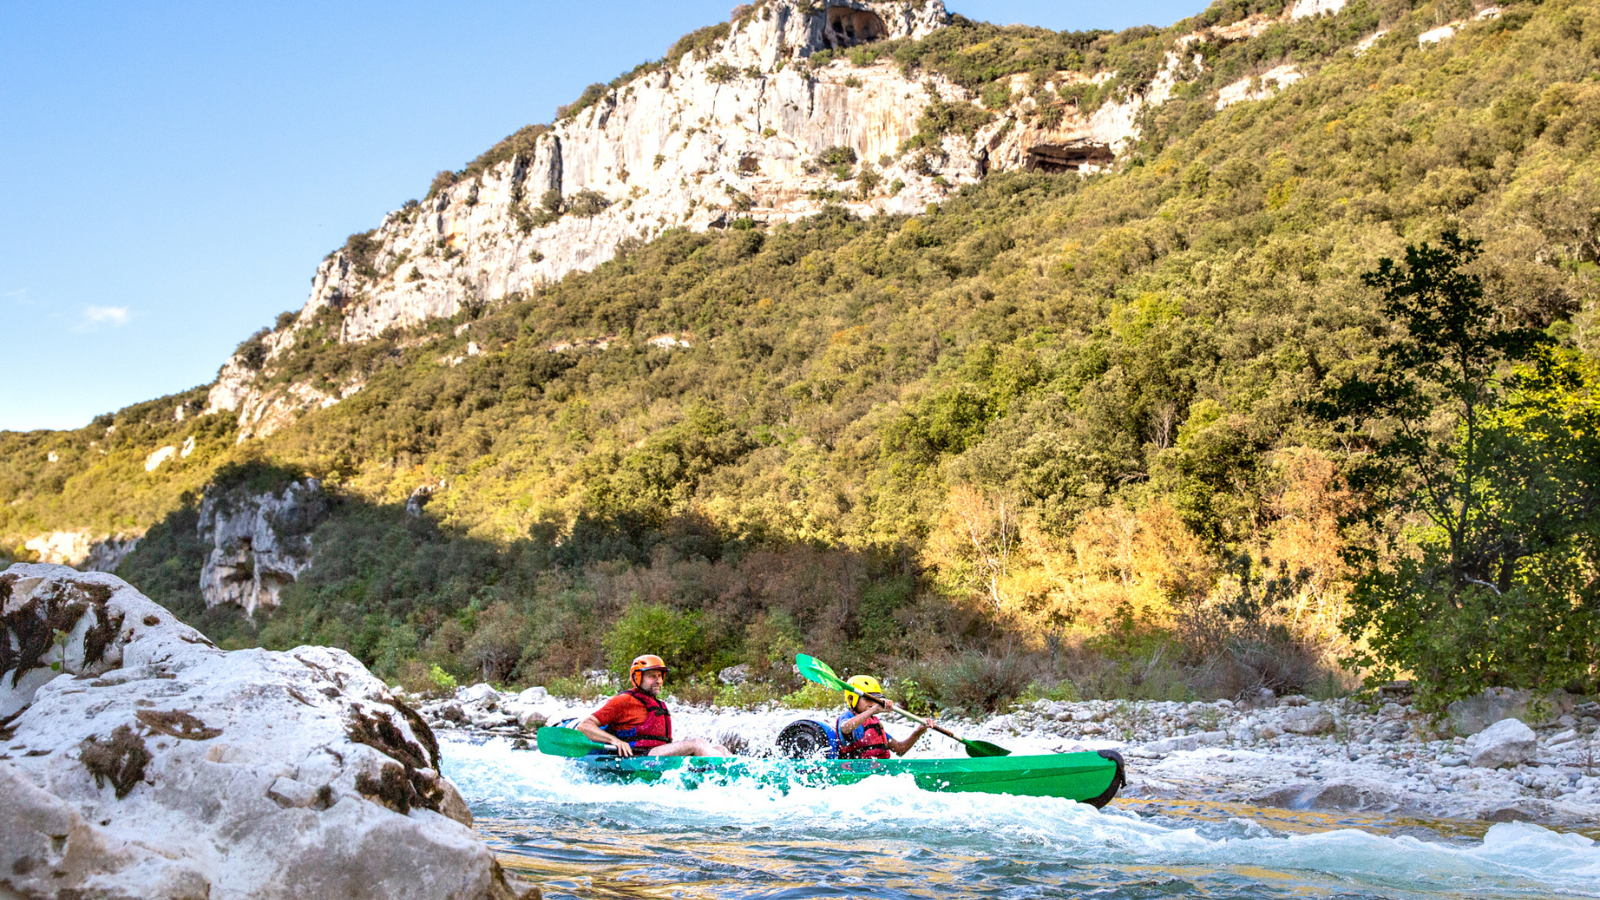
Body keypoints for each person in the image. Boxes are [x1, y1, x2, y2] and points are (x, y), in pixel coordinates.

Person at [577, 654, 730, 757]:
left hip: (657, 754)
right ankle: (727, 774)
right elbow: (584, 727)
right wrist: (614, 741)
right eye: (651, 676)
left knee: (720, 749)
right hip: (640, 756)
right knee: (697, 743)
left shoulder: (657, 704)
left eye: (659, 676)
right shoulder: (624, 700)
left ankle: (738, 772)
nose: (658, 680)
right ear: (637, 677)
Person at [834, 675, 927, 759]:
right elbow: (845, 728)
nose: (872, 703)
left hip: (877, 773)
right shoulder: (847, 716)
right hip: (854, 772)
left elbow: (899, 750)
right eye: (867, 699)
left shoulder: (874, 723)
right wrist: (873, 710)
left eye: (875, 699)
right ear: (851, 699)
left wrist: (918, 731)